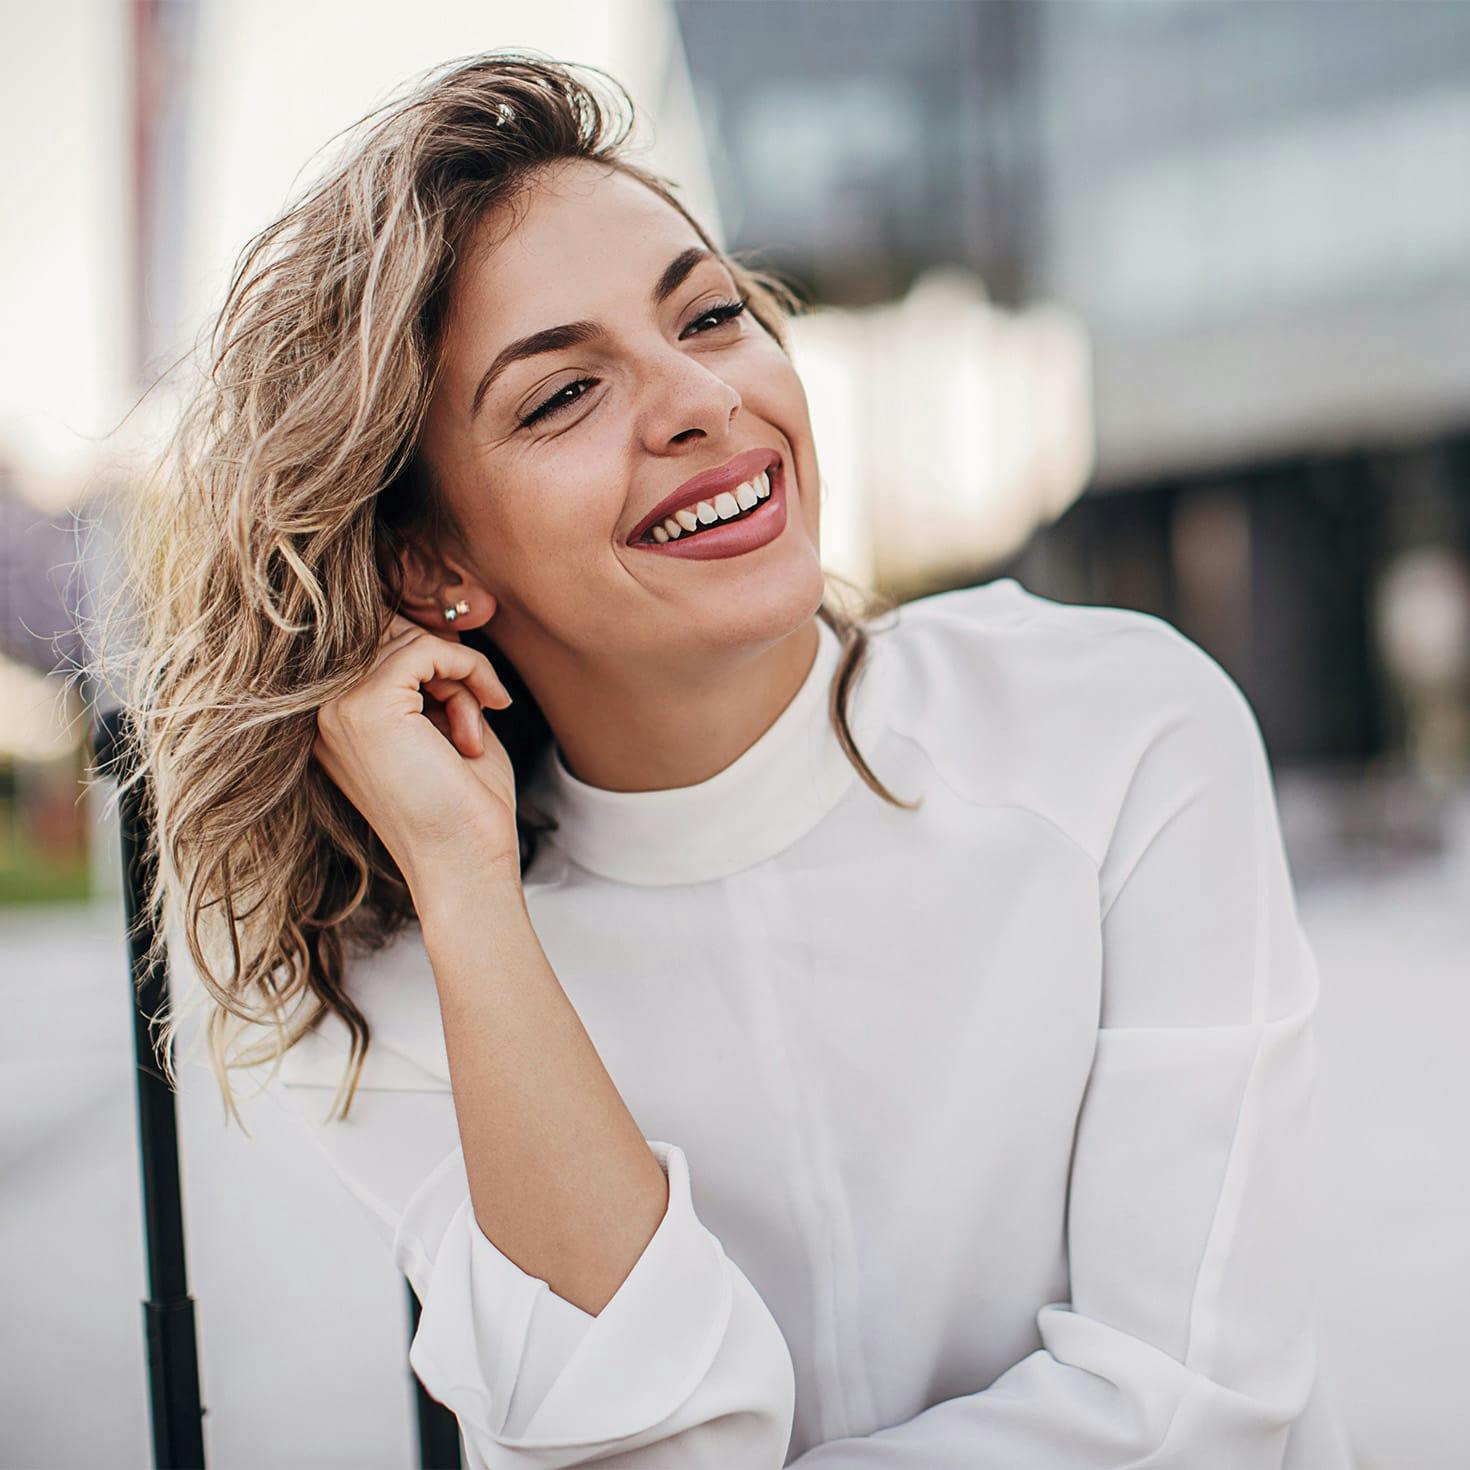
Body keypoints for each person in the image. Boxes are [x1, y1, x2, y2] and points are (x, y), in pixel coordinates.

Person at [108, 51, 1358, 1469]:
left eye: (708, 314)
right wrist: (467, 897)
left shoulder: (1121, 732)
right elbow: (641, 1441)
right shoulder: (408, 981)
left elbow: (1190, 1413)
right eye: (560, 395)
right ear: (433, 564)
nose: (698, 397)